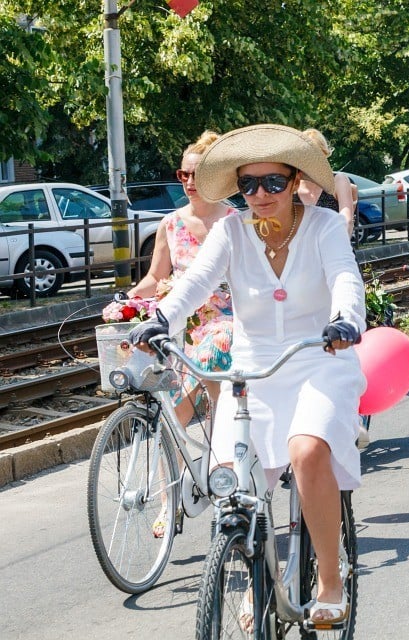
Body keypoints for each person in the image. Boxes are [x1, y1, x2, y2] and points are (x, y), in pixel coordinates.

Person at [130, 124, 366, 625]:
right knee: (232, 486)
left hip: (320, 357)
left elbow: (345, 276)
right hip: (252, 368)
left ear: (294, 179)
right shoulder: (231, 230)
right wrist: (161, 319)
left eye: (274, 184)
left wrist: (345, 319)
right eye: (249, 185)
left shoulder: (323, 226)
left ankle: (329, 579)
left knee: (307, 449)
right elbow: (195, 282)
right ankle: (255, 575)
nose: (260, 195)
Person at [124, 130, 237, 538]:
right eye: (182, 174)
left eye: (196, 174)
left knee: (220, 393)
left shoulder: (234, 222)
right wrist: (127, 299)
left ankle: (229, 490)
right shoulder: (170, 224)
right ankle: (170, 501)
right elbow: (156, 277)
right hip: (181, 326)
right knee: (171, 415)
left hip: (227, 323)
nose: (188, 182)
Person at [298, 129, 358, 236]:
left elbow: (347, 221)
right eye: (305, 155)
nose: (311, 161)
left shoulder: (338, 181)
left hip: (335, 247)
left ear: (324, 155)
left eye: (317, 155)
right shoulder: (291, 187)